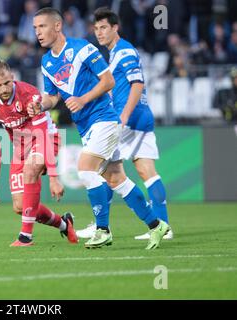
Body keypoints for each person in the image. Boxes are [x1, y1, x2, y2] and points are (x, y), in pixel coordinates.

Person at [31, 7, 169, 249]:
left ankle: (103, 230)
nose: (38, 33)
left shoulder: (82, 49)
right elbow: (52, 97)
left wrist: (83, 99)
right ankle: (157, 226)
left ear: (57, 26)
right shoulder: (46, 62)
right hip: (87, 126)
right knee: (116, 179)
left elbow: (109, 81)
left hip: (104, 118)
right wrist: (40, 105)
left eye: (42, 26)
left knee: (85, 169)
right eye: (35, 28)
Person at [76, 7, 173, 241]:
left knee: (102, 170)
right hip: (141, 117)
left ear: (115, 28)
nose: (99, 33)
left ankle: (100, 226)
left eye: (103, 28)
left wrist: (124, 117)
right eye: (96, 28)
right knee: (146, 172)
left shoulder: (125, 51)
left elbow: (137, 84)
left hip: (127, 119)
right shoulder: (116, 53)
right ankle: (164, 226)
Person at [0, 59, 78, 247]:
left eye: (7, 83)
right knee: (21, 207)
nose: (4, 89)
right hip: (20, 147)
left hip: (47, 138)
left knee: (30, 170)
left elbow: (41, 135)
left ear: (12, 78)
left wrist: (54, 177)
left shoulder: (29, 95)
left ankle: (25, 237)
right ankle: (64, 224)